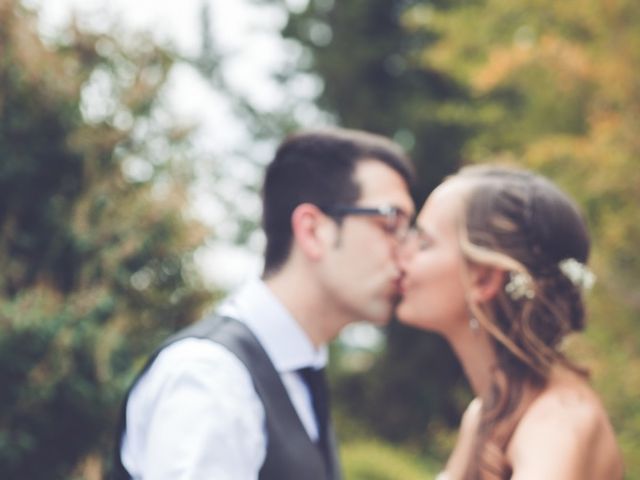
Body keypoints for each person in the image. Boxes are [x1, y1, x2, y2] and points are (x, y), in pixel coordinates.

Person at [113, 127, 416, 479]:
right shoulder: (210, 376)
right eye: (390, 223)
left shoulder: (297, 370)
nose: (407, 253)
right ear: (313, 230)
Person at [397, 165, 624, 479]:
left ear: (485, 278)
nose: (401, 256)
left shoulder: (555, 426)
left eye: (424, 244)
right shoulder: (486, 413)